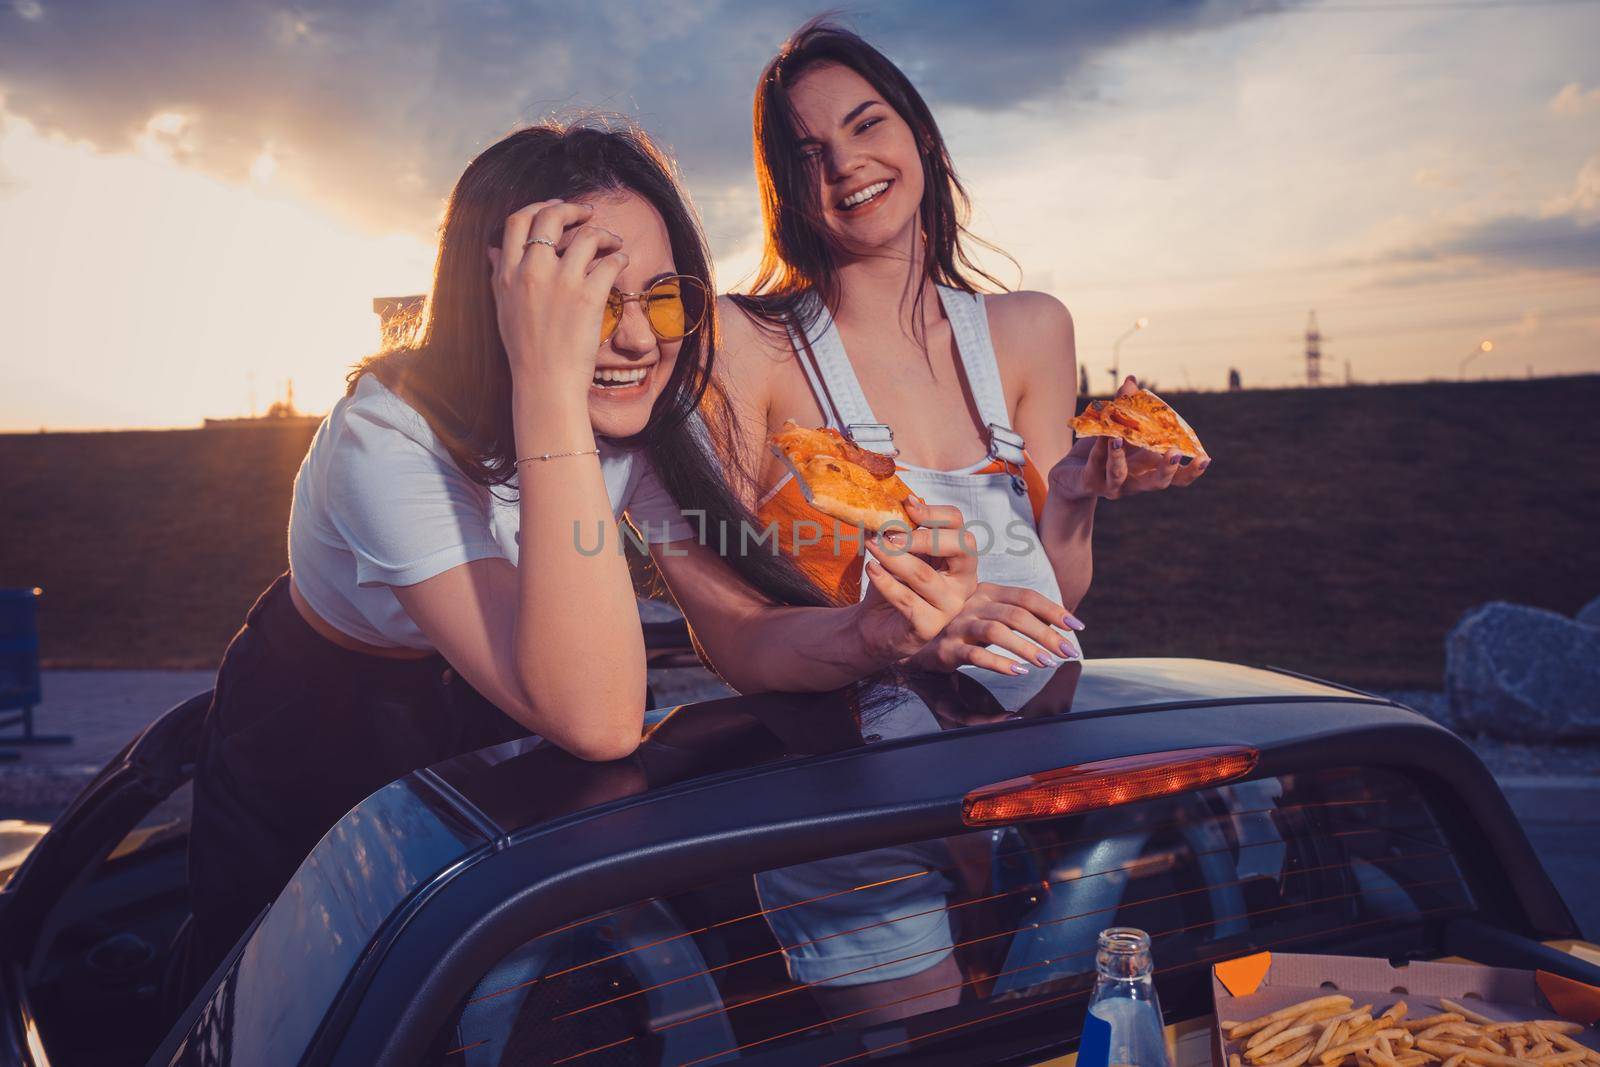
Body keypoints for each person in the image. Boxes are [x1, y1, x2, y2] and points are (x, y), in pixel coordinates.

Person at [184, 119, 979, 989]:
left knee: (510, 977)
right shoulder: (384, 437)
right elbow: (601, 722)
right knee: (292, 985)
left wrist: (871, 633)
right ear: (504, 300)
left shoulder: (637, 424)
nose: (639, 340)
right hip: (323, 721)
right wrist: (547, 381)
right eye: (588, 301)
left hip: (518, 687)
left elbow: (743, 632)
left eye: (662, 295)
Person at [717, 20, 1209, 681]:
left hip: (1039, 757)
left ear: (919, 131)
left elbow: (1051, 602)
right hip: (869, 768)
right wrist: (896, 640)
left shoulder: (1033, 330)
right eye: (808, 155)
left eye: (867, 125)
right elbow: (734, 639)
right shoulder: (748, 344)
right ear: (786, 193)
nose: (845, 164)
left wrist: (1070, 498)